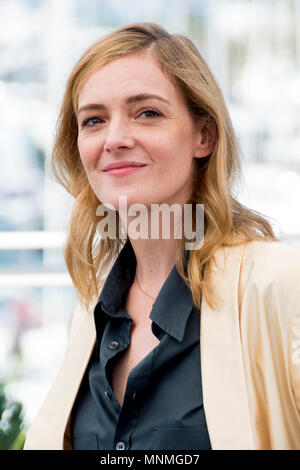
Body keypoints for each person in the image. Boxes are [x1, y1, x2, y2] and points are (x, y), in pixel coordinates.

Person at [24, 23, 300, 450]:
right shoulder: (92, 305)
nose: (114, 139)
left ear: (204, 136)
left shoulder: (280, 284)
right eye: (94, 120)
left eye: (147, 112)